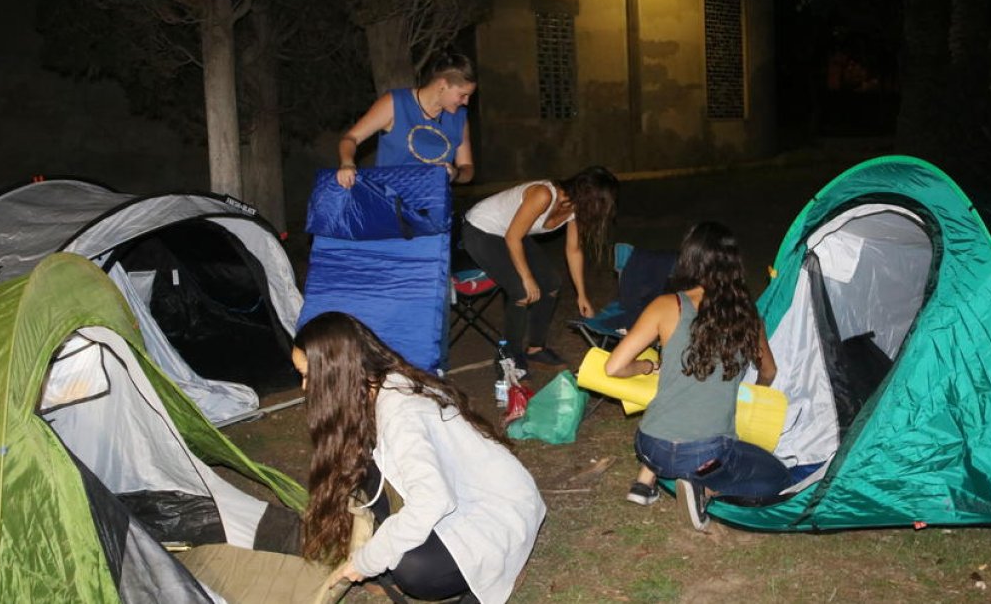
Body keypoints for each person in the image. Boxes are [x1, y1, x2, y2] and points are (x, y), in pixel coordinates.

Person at [295, 312, 545, 603]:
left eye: (307, 376)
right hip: (465, 493)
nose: (304, 387)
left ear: (337, 371)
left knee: (415, 570)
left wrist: (368, 560)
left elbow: (433, 500)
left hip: (496, 510)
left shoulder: (402, 414)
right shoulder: (377, 387)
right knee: (357, 464)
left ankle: (499, 567)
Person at [604, 221, 791, 531]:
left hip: (649, 445)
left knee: (674, 415)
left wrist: (647, 366)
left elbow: (614, 367)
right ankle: (703, 489)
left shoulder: (666, 305)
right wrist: (754, 398)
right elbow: (769, 371)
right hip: (705, 455)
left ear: (688, 259)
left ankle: (645, 481)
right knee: (777, 476)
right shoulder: (747, 315)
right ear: (733, 263)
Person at [462, 166, 619, 369]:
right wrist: (527, 277)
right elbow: (513, 238)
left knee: (551, 283)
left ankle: (535, 348)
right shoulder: (544, 195)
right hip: (481, 229)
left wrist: (582, 295)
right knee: (521, 291)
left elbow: (574, 250)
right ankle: (509, 358)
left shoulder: (575, 208)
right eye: (602, 204)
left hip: (511, 232)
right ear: (589, 196)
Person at [336, 51, 477, 188]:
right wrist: (347, 164)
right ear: (442, 85)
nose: (466, 102)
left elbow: (467, 168)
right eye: (463, 95)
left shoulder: (460, 117)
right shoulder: (395, 103)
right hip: (391, 199)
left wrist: (455, 174)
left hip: (434, 201)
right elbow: (350, 138)